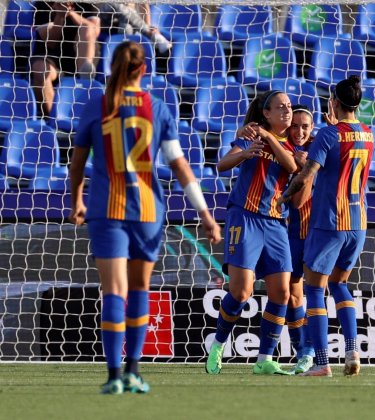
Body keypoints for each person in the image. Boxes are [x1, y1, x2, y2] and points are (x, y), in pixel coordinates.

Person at [68, 41, 221, 394]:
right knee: (139, 289)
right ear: (144, 71)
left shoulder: (99, 105)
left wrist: (77, 200)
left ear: (114, 67)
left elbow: (77, 163)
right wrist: (205, 213)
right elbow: (179, 165)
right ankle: (134, 371)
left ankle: (113, 376)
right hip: (148, 210)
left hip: (107, 209)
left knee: (113, 292)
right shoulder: (157, 107)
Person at [277, 75, 374, 378]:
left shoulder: (329, 135)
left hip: (329, 221)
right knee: (340, 284)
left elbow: (306, 175)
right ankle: (352, 349)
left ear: (334, 101)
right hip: (358, 223)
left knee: (314, 288)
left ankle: (321, 362)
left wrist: (283, 197)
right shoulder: (369, 134)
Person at [206, 90, 299, 376]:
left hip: (275, 222)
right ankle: (218, 344)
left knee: (282, 292)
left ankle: (264, 358)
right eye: (279, 107)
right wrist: (244, 153)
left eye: (289, 106)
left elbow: (293, 167)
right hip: (244, 217)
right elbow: (221, 165)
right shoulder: (250, 136)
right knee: (241, 290)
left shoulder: (295, 144)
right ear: (266, 113)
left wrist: (270, 138)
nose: (286, 111)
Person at [285, 105, 316, 374]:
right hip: (290, 231)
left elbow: (300, 201)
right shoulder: (280, 150)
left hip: (319, 231)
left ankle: (311, 351)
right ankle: (302, 352)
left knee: (316, 293)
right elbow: (296, 203)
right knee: (292, 296)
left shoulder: (322, 148)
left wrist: (308, 168)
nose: (300, 131)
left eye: (305, 126)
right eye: (295, 125)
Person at [31, 1, 101, 116]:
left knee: (87, 28)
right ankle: (56, 117)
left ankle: (84, 79)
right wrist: (60, 16)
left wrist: (71, 14)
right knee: (40, 69)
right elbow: (50, 42)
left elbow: (95, 30)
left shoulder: (89, 3)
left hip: (82, 55)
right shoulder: (43, 4)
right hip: (53, 56)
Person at [97, 3, 172, 53]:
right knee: (119, 6)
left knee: (127, 27)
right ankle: (149, 34)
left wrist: (149, 26)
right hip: (106, 20)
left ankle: (125, 59)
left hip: (129, 21)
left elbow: (144, 6)